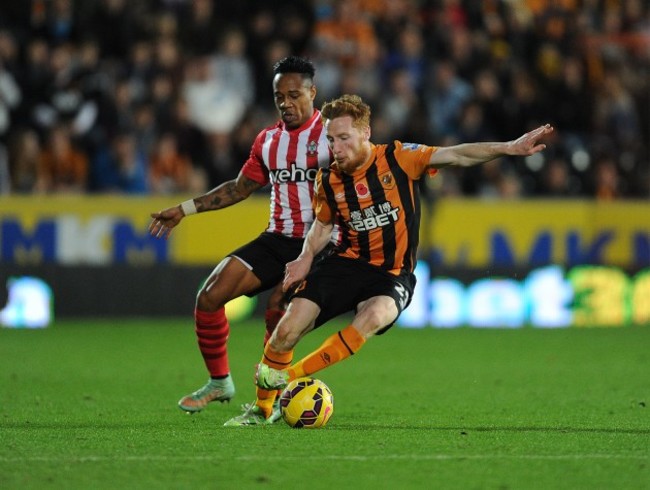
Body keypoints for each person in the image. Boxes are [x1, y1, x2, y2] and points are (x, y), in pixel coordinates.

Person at [224, 94, 554, 425]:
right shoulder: (328, 179)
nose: (335, 148)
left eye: (343, 138)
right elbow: (322, 225)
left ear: (365, 132)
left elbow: (457, 154)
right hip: (346, 263)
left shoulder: (399, 157)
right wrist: (306, 257)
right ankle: (261, 409)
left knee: (376, 314)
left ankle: (289, 378)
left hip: (393, 274)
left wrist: (509, 147)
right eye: (330, 140)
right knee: (286, 330)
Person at [148, 56, 333, 421]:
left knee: (279, 306)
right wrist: (184, 210)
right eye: (279, 96)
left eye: (294, 95)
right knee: (210, 295)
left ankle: (272, 400)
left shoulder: (332, 136)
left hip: (320, 243)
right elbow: (238, 188)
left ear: (312, 93)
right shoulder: (268, 140)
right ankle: (219, 382)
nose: (286, 103)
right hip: (277, 237)